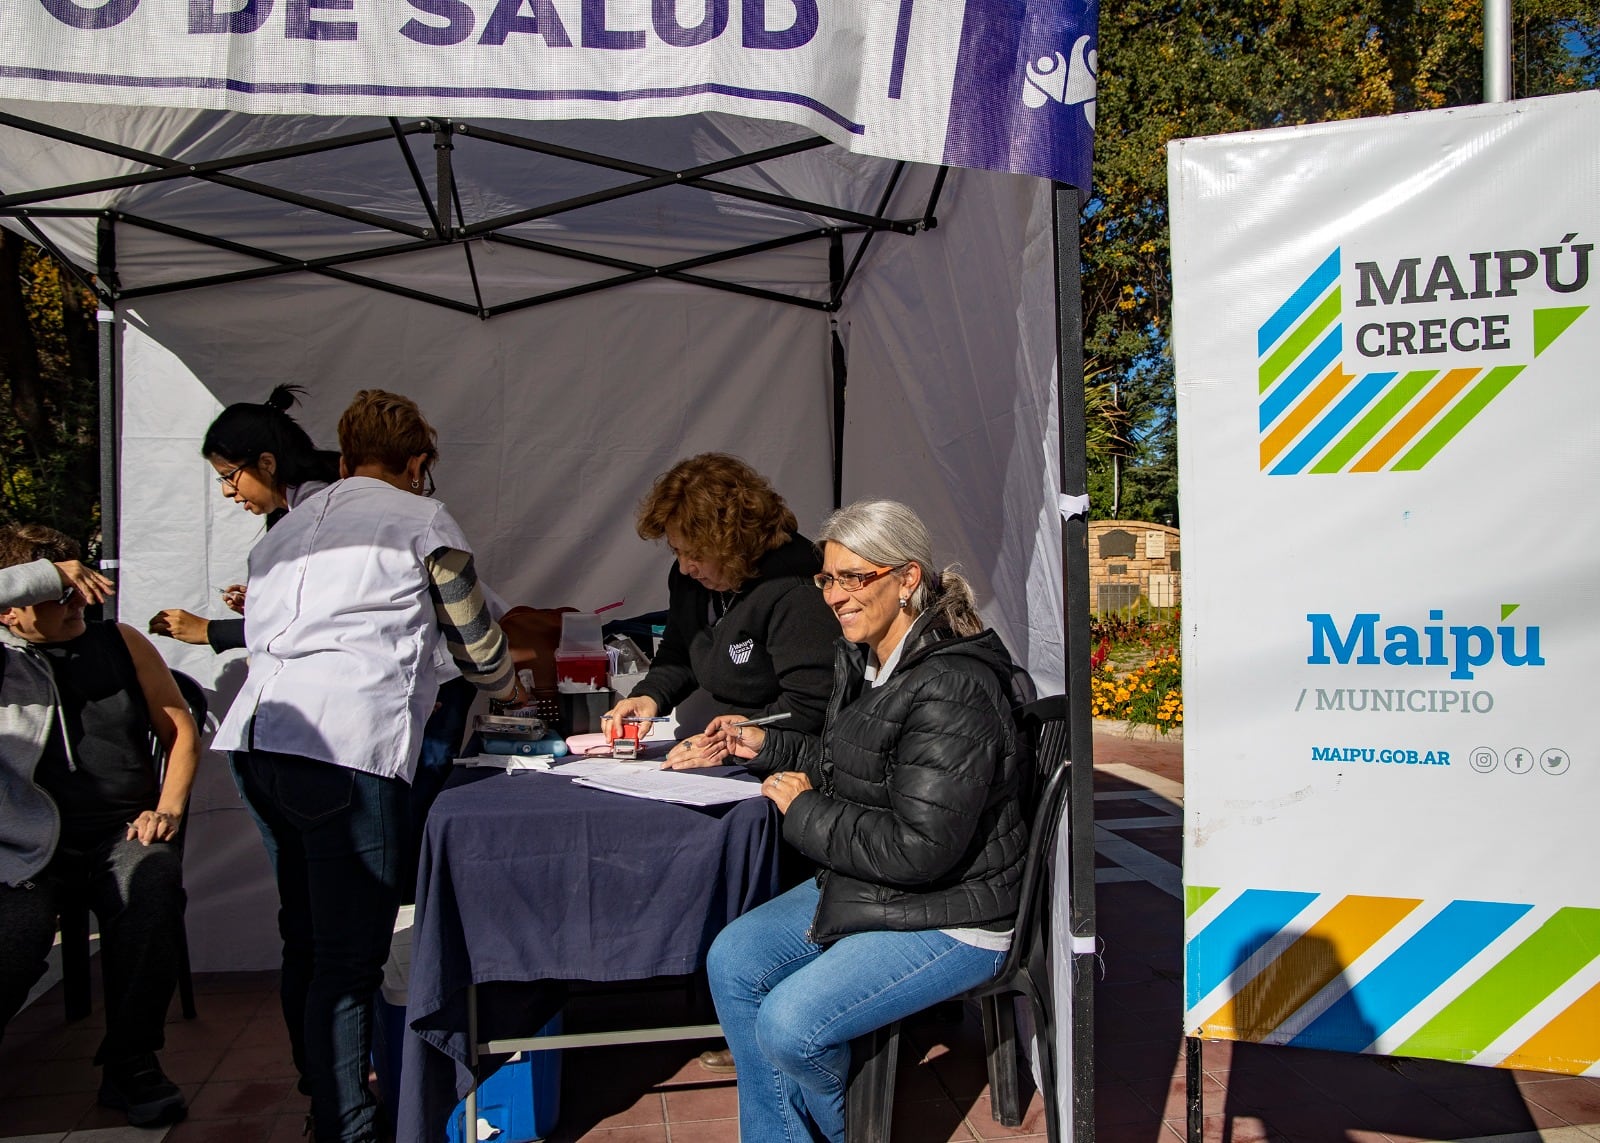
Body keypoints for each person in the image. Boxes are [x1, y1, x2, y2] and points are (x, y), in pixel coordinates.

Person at [212, 389, 525, 1143]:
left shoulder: (283, 532)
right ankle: (348, 1124)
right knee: (351, 961)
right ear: (418, 463)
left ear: (345, 458)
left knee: (307, 939)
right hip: (345, 750)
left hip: (260, 742)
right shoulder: (422, 519)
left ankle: (322, 1088)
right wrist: (510, 689)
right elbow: (476, 641)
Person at [703, 500, 1030, 1143]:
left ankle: (840, 1132)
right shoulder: (874, 661)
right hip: (887, 890)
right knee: (733, 960)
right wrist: (762, 746)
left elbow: (921, 850)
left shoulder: (951, 685)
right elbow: (844, 761)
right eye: (828, 578)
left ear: (907, 578)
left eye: (854, 577)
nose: (835, 595)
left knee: (790, 1025)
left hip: (956, 913)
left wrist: (802, 811)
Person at [0, 525, 198, 1128]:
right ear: (10, 610)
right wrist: (50, 574)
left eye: (79, 587)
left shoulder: (122, 641)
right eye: (58, 593)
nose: (78, 603)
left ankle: (132, 1063)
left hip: (120, 831)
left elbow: (181, 731)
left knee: (150, 888)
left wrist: (166, 809)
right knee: (17, 932)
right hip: (27, 846)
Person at [603, 453, 837, 770]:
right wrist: (649, 696)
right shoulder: (693, 581)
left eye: (696, 553)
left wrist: (728, 741)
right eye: (677, 551)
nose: (685, 567)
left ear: (735, 542)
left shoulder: (796, 590)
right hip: (733, 747)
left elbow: (809, 705)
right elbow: (681, 649)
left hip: (793, 760)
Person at [148, 384, 340, 651]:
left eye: (229, 476)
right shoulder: (294, 510)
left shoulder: (321, 512)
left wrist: (210, 631)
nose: (227, 491)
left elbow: (323, 619)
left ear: (267, 463)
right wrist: (266, 601)